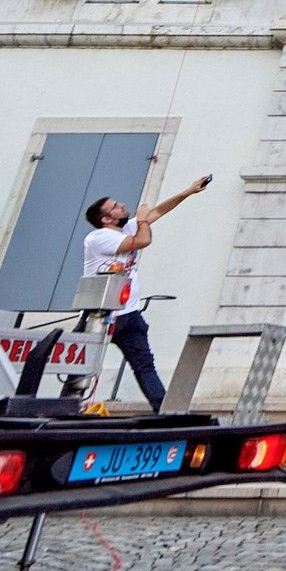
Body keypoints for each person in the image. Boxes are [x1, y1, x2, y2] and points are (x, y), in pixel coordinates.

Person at [82, 175, 211, 411]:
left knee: (144, 365)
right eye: (116, 207)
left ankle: (165, 412)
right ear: (107, 218)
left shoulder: (125, 229)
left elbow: (159, 211)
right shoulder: (99, 238)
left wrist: (188, 191)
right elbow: (143, 241)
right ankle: (69, 402)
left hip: (128, 313)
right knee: (79, 364)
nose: (122, 206)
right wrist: (141, 220)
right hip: (101, 315)